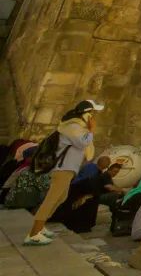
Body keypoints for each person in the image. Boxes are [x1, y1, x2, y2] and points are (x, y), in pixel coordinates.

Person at [25, 99, 104, 246]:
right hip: (63, 169)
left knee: (61, 197)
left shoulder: (77, 127)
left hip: (68, 169)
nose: (93, 117)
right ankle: (34, 233)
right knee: (52, 199)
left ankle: (41, 226)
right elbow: (82, 142)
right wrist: (91, 129)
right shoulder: (72, 126)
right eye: (92, 113)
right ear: (85, 114)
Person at [53, 159, 123, 233]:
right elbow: (89, 185)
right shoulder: (98, 173)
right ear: (107, 167)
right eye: (115, 171)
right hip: (81, 192)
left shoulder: (92, 167)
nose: (115, 173)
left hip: (78, 190)